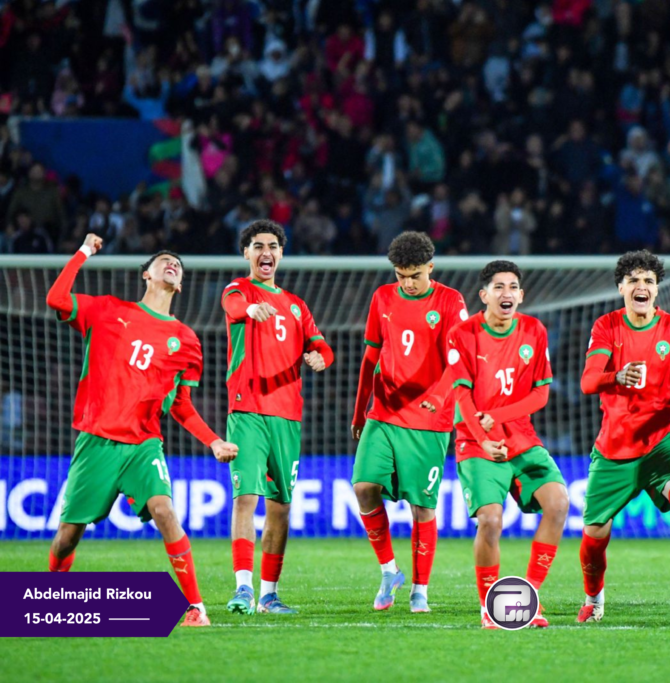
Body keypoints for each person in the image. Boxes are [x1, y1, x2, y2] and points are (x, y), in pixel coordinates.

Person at [46, 233, 238, 628]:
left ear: (179, 284)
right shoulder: (108, 311)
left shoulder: (187, 341)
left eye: (177, 264)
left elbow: (181, 405)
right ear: (146, 275)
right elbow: (57, 299)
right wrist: (83, 252)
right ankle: (53, 598)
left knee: (165, 510)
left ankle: (196, 608)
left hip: (143, 444)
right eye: (163, 260)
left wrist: (214, 440)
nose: (172, 264)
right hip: (97, 441)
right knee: (67, 537)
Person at [577, 249, 670, 626]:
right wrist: (616, 376)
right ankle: (593, 599)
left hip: (663, 440)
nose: (641, 286)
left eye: (648, 281)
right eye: (634, 280)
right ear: (621, 287)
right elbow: (588, 382)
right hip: (614, 447)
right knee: (594, 535)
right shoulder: (607, 326)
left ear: (657, 290)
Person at [441, 260, 569, 628]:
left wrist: (497, 416)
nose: (506, 293)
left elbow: (541, 394)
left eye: (513, 287)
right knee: (491, 521)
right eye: (498, 287)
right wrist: (484, 438)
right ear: (484, 295)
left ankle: (529, 598)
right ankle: (489, 606)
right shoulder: (463, 334)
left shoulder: (534, 330)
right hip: (475, 443)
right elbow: (462, 397)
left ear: (521, 295)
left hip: (522, 440)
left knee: (559, 503)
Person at [351, 231, 468, 613]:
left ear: (430, 268)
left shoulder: (450, 301)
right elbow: (371, 357)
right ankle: (389, 571)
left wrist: (439, 397)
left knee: (422, 507)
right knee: (364, 487)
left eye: (415, 275)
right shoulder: (382, 297)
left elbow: (459, 362)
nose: (407, 283)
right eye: (401, 275)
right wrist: (360, 408)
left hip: (429, 421)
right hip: (384, 413)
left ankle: (420, 590)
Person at [223, 219, 334, 615]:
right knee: (246, 497)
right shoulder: (238, 289)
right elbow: (234, 306)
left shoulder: (296, 305)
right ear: (247, 253)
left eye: (272, 246)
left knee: (281, 507)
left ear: (281, 253)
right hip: (248, 409)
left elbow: (321, 345)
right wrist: (251, 308)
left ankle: (268, 596)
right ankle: (243, 589)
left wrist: (321, 358)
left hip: (287, 415)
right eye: (257, 246)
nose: (265, 252)